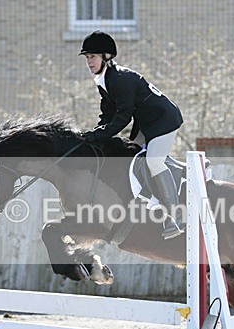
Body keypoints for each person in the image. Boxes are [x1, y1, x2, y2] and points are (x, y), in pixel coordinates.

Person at [79, 30, 184, 239]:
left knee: (154, 162)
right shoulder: (104, 79)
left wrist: (99, 135)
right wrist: (94, 134)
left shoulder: (120, 79)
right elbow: (108, 114)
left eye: (93, 57)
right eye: (87, 58)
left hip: (164, 120)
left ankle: (175, 216)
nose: (89, 62)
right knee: (133, 156)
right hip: (147, 123)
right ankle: (151, 197)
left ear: (106, 57)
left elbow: (123, 117)